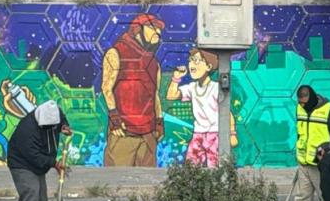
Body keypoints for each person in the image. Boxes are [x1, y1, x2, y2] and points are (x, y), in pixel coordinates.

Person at [101, 14, 165, 167]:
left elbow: (155, 94)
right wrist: (114, 118)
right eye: (152, 27)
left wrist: (159, 121)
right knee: (116, 182)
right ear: (138, 30)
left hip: (149, 135)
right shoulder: (115, 53)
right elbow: (106, 88)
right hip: (123, 132)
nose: (158, 32)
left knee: (147, 184)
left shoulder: (154, 62)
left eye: (159, 28)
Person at [6, 100, 72, 201]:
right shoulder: (27, 130)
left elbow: (61, 119)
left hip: (39, 164)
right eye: (48, 127)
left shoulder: (55, 114)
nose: (51, 128)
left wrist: (64, 126)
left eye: (53, 126)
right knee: (31, 193)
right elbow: (33, 156)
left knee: (42, 200)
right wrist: (54, 163)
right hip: (22, 164)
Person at [166, 47, 237, 168]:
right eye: (191, 60)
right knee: (191, 168)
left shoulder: (215, 88)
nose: (192, 64)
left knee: (215, 168)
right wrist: (176, 78)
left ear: (208, 67)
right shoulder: (192, 87)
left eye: (197, 61)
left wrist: (232, 134)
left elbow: (227, 112)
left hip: (215, 135)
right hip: (198, 134)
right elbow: (171, 96)